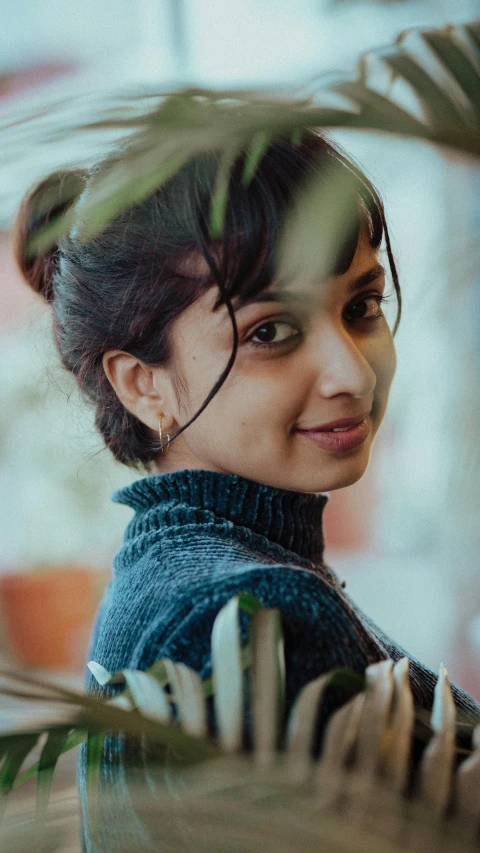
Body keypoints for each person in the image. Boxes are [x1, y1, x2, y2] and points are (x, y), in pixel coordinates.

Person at [14, 130, 480, 851]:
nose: (352, 374)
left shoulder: (171, 578)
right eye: (272, 330)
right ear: (143, 384)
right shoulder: (246, 617)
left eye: (362, 305)